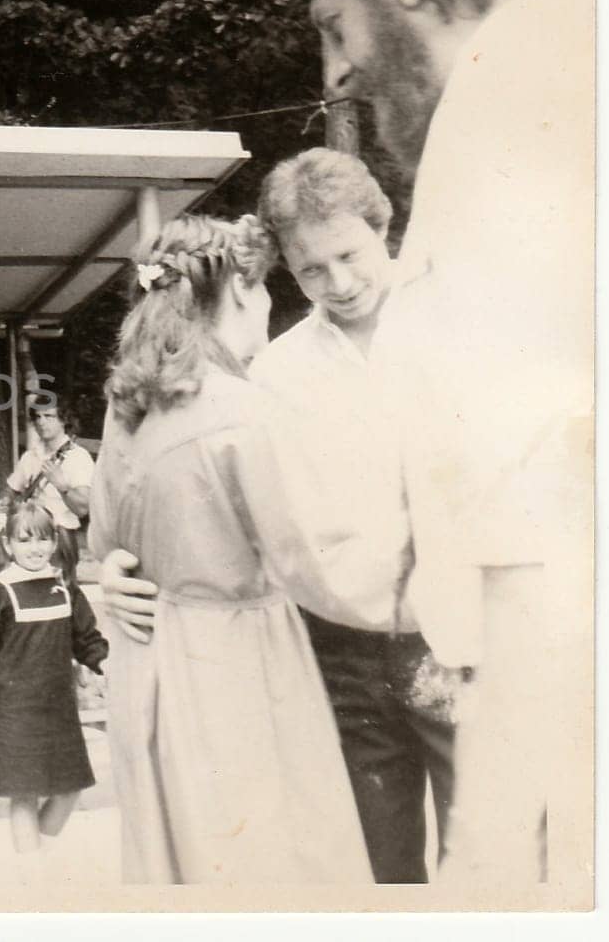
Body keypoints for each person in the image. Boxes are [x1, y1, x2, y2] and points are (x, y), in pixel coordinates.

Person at [289, 0, 585, 882]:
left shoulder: (526, 101)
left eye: (336, 27)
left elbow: (536, 490)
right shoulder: (502, 101)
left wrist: (488, 848)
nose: (336, 73)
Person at [101, 150, 463, 883]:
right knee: (373, 865)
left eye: (349, 255)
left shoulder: (466, 333)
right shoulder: (273, 372)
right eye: (310, 271)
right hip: (341, 653)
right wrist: (117, 566)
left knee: (492, 858)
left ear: (383, 226)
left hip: (464, 634)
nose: (339, 283)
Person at [88, 214, 371, 884]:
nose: (272, 304)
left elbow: (102, 538)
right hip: (236, 663)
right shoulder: (245, 409)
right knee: (264, 857)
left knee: (179, 859)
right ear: (242, 291)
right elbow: (308, 561)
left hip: (148, 660)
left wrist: (112, 570)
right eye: (268, 287)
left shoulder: (126, 408)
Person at [0, 500, 108, 875]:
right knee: (24, 794)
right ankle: (33, 875)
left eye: (43, 539)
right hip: (16, 711)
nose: (36, 548)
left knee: (70, 788)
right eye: (25, 540)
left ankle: (35, 861)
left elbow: (87, 638)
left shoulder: (63, 586)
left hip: (59, 708)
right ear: (9, 545)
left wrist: (104, 663)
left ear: (54, 541)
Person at [0, 397, 94, 577]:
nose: (41, 422)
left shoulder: (78, 457)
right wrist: (6, 499)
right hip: (27, 534)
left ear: (64, 419)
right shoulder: (31, 456)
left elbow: (82, 508)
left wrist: (61, 485)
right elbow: (11, 488)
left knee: (60, 593)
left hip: (59, 536)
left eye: (49, 416)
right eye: (37, 417)